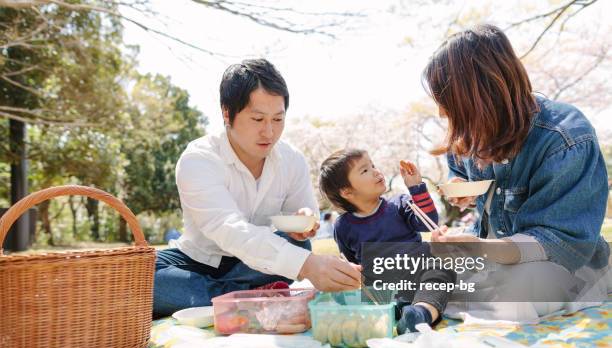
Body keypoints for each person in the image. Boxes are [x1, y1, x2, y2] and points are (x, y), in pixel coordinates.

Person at [423, 24, 609, 320]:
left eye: (448, 103)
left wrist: (481, 249)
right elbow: (460, 172)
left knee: (510, 297)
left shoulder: (564, 137)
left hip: (556, 263)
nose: (442, 114)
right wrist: (461, 189)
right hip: (491, 255)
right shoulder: (473, 133)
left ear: (482, 94)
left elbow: (557, 242)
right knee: (412, 270)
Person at [153, 59, 361, 317]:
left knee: (297, 249)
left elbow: (300, 217)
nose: (269, 131)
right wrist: (307, 267)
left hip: (255, 266)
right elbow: (229, 229)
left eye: (278, 119)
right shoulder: (199, 159)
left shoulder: (291, 159)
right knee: (146, 278)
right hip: (197, 262)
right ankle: (256, 296)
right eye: (258, 119)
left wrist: (303, 223)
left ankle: (221, 300)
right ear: (227, 113)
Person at [319, 149, 457, 333]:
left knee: (442, 270)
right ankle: (401, 310)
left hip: (418, 273)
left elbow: (428, 223)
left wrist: (416, 188)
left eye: (373, 165)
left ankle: (421, 313)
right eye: (365, 170)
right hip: (382, 287)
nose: (376, 171)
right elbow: (352, 264)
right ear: (346, 191)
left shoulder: (399, 204)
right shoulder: (343, 226)